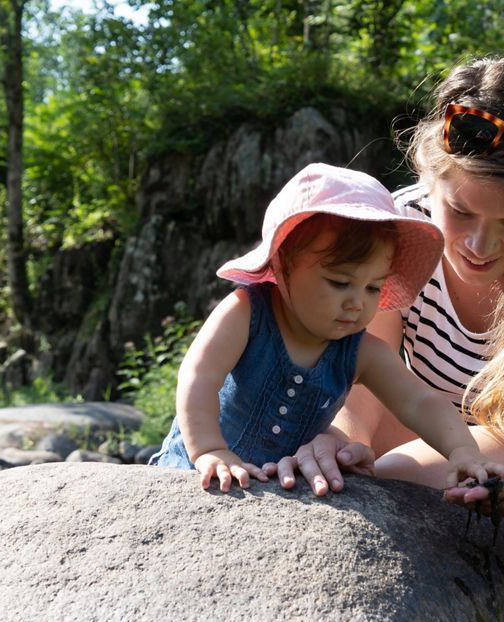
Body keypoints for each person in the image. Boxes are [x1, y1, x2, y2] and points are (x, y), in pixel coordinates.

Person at [149, 162, 504, 493]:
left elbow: (420, 401)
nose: (357, 303)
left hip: (288, 484)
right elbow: (199, 376)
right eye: (338, 283)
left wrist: (462, 451)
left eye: (372, 288)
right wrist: (209, 449)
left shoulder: (358, 349)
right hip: (197, 469)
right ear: (283, 264)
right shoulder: (247, 312)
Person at [270, 56, 504, 503]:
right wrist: (342, 436)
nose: (480, 244)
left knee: (397, 473)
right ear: (427, 176)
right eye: (460, 211)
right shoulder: (400, 232)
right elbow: (369, 368)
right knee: (332, 462)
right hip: (436, 413)